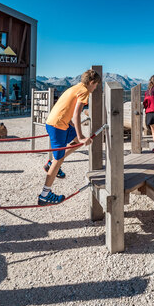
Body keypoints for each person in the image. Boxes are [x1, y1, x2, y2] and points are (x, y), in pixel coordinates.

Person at [38, 69, 101, 205]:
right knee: (59, 158)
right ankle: (45, 194)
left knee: (78, 142)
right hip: (58, 125)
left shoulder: (76, 87)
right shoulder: (84, 91)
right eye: (95, 85)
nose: (95, 88)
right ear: (91, 82)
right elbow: (77, 114)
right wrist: (81, 135)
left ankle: (51, 165)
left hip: (59, 122)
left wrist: (78, 134)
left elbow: (67, 108)